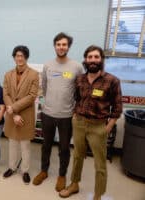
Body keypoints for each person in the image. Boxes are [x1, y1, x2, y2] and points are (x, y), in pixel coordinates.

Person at [59, 45, 123, 200]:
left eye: (96, 57)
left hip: (98, 127)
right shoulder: (80, 79)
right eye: (90, 57)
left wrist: (107, 127)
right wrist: (75, 115)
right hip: (79, 123)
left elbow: (118, 107)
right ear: (85, 60)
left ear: (101, 59)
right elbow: (76, 98)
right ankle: (74, 184)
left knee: (100, 164)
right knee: (77, 156)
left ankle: (97, 194)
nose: (93, 60)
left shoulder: (112, 81)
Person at [33, 32, 84, 191]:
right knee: (45, 145)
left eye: (64, 44)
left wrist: (75, 109)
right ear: (54, 46)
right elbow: (45, 88)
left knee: (63, 148)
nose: (61, 47)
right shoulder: (48, 65)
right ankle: (44, 171)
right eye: (58, 44)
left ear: (68, 46)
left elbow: (80, 91)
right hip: (48, 113)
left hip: (66, 116)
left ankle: (62, 175)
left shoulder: (76, 67)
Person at [2, 45, 39, 184]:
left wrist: (14, 108)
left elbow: (32, 95)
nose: (19, 58)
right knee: (12, 143)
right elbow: (5, 94)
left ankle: (25, 170)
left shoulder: (34, 74)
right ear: (14, 58)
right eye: (17, 56)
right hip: (12, 115)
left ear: (26, 57)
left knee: (25, 145)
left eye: (22, 56)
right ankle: (11, 167)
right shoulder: (8, 74)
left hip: (25, 115)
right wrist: (12, 113)